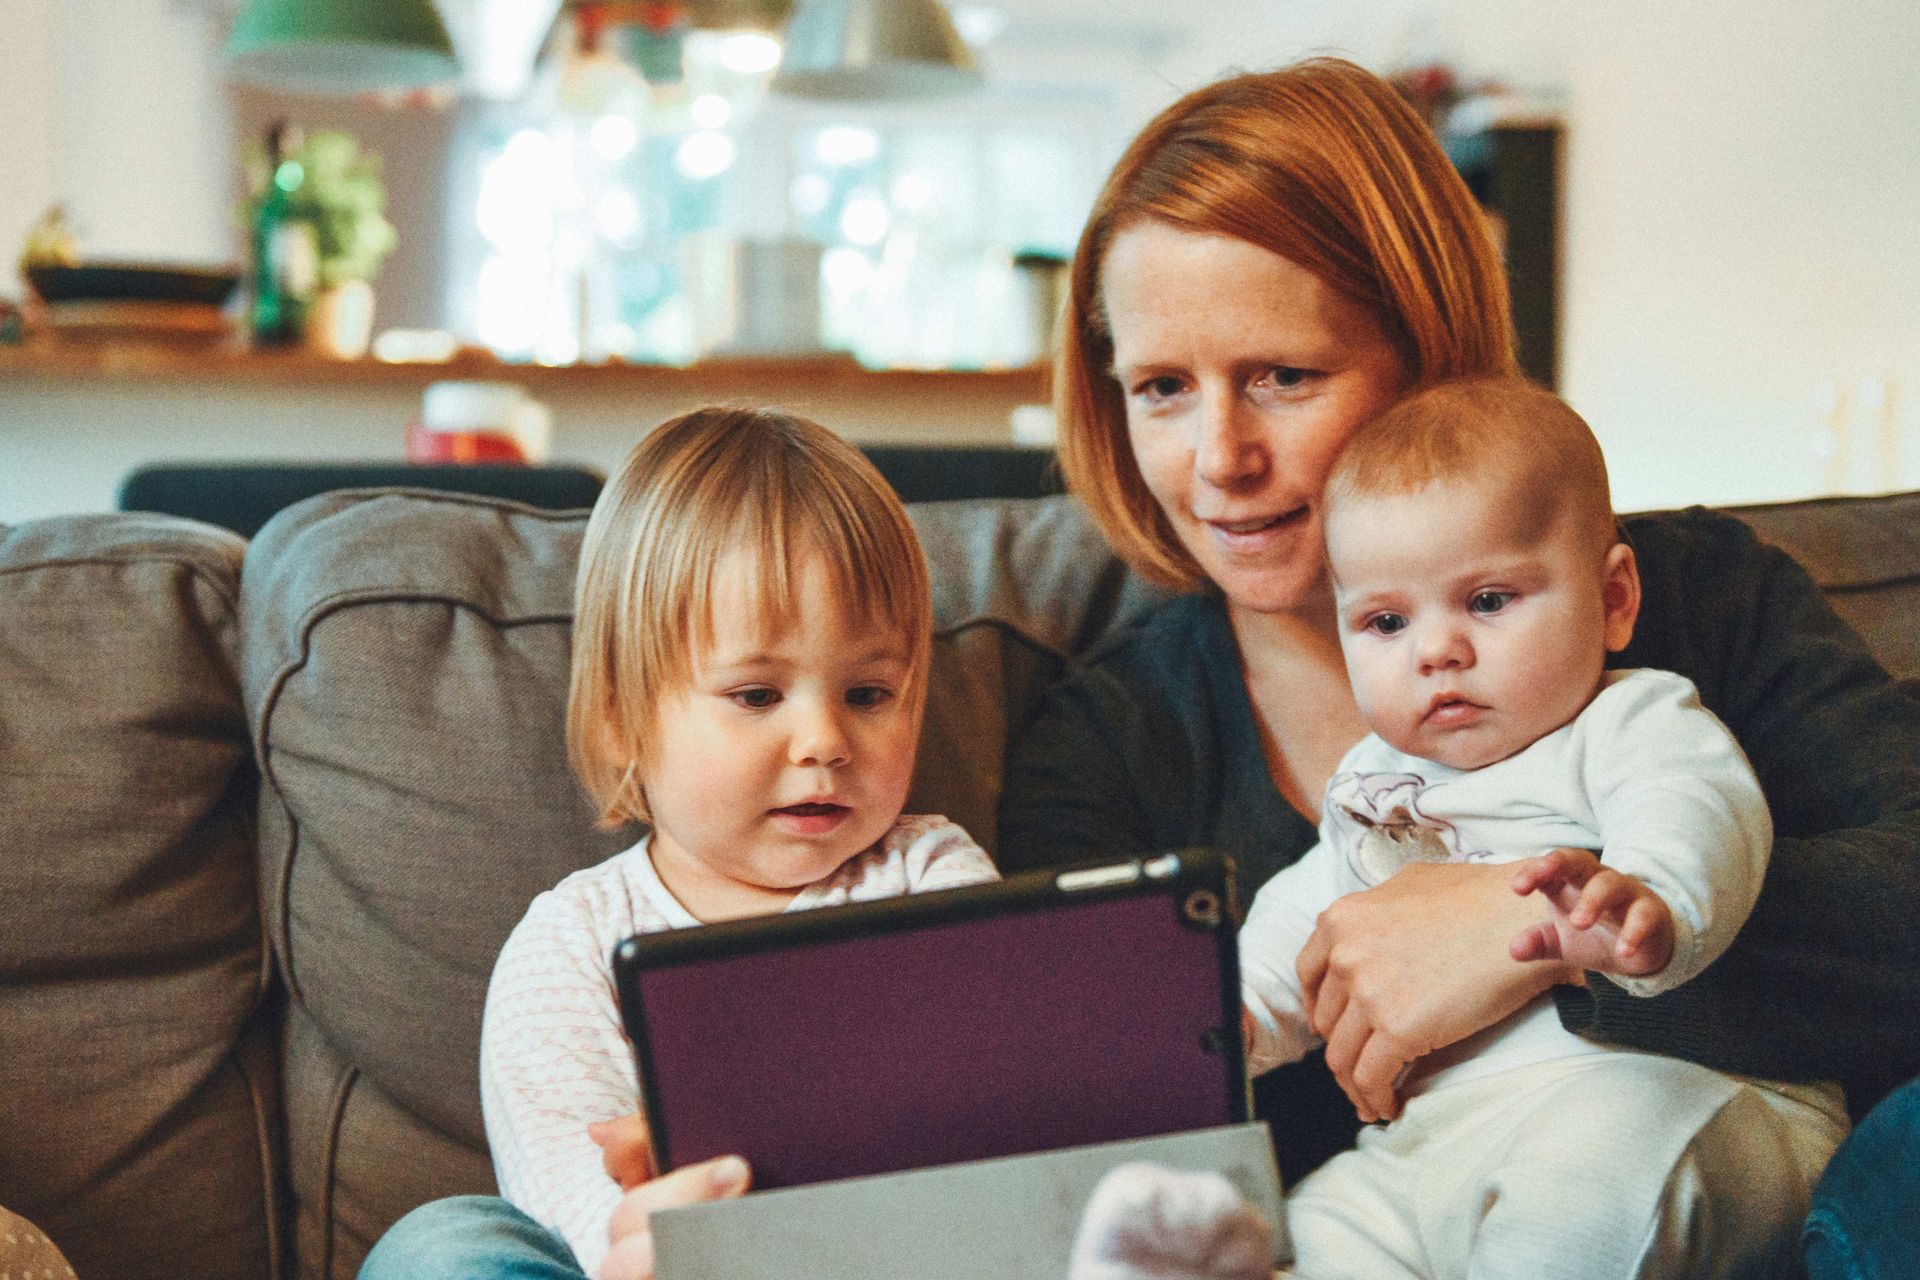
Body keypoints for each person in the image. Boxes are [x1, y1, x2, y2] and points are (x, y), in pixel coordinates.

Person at [996, 53, 1920, 1271]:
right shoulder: (1110, 741)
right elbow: (1103, 1089)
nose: (1221, 456)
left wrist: (1519, 928)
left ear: (1426, 352)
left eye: (1283, 376)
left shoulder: (1694, 600)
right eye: (1164, 387)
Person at [359, 406, 997, 1280]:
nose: (824, 741)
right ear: (623, 719)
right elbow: (578, 1210)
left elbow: (995, 1133)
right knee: (446, 1245)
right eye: (756, 695)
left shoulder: (935, 880)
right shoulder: (572, 944)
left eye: (869, 694)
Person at [1224, 376, 1842, 1276]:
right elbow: (1309, 919)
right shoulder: (1373, 783)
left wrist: (1650, 898)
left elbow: (1696, 806)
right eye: (1387, 621)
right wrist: (1230, 1018)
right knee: (1320, 1227)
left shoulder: (1628, 721)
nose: (1437, 650)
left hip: (1667, 1099)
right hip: (1436, 1142)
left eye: (1487, 601)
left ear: (1614, 600)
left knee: (1583, 1193)